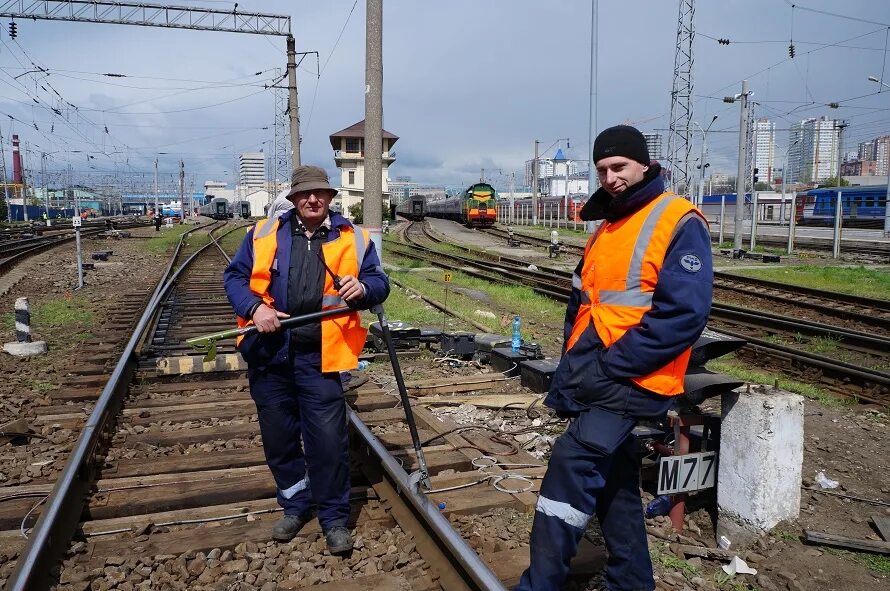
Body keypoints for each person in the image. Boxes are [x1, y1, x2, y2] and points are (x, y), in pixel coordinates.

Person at [516, 125, 713, 591]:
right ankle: (632, 582)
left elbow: (683, 316)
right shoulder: (608, 226)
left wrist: (611, 365)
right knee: (616, 484)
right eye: (602, 169)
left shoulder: (679, 220)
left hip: (632, 378)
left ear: (644, 164)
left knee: (571, 464)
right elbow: (583, 305)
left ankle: (538, 585)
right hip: (597, 374)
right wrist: (574, 369)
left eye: (619, 166)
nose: (610, 177)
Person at [224, 165, 389, 554]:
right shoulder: (263, 234)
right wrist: (253, 309)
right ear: (294, 199)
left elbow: (380, 283)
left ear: (330, 198)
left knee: (328, 443)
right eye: (304, 194)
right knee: (279, 441)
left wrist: (364, 288)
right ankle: (296, 504)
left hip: (322, 357)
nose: (312, 199)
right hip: (270, 355)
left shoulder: (355, 238)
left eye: (320, 193)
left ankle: (334, 518)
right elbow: (234, 278)